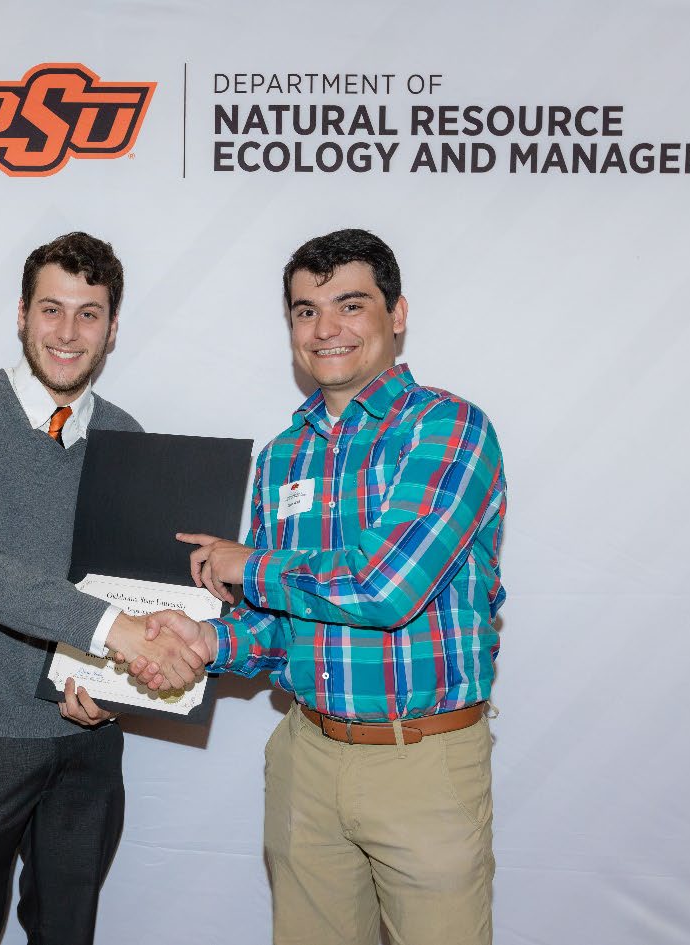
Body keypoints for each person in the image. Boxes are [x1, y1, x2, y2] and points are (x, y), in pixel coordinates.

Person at [140, 229, 507, 945]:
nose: (326, 328)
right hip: (307, 756)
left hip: (422, 764)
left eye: (350, 304)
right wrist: (208, 638)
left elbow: (386, 588)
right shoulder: (284, 455)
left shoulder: (449, 428)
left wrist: (248, 565)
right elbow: (281, 624)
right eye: (306, 311)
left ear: (396, 314)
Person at [0, 231, 204, 945]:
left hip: (88, 736)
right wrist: (116, 633)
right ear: (21, 313)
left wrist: (117, 681)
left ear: (111, 328)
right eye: (51, 309)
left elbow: (136, 590)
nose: (68, 333)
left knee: (68, 933)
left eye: (89, 313)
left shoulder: (126, 436)